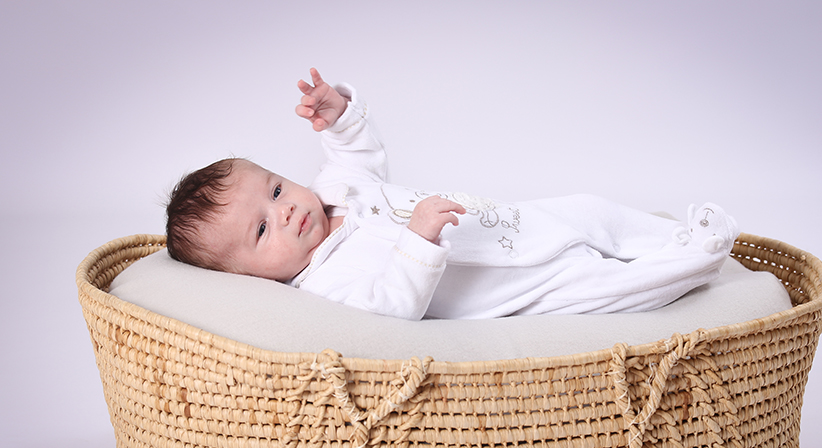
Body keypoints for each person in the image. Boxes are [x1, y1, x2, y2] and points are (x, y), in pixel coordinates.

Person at [166, 68, 739, 320]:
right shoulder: (324, 284)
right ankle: (694, 262)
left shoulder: (334, 190)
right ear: (249, 277)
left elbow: (358, 154)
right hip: (513, 290)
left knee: (590, 210)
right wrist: (415, 242)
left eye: (274, 188)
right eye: (261, 228)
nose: (286, 209)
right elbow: (390, 308)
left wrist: (339, 117)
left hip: (511, 224)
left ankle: (678, 235)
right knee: (604, 289)